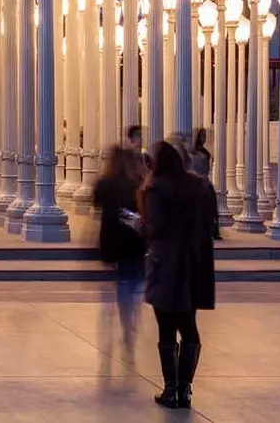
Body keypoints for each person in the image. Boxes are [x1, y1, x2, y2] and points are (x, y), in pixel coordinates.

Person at [141, 140, 217, 411]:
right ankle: (185, 390)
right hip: (194, 263)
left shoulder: (157, 188)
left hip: (167, 264)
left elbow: (156, 228)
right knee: (189, 326)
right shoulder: (201, 187)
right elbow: (211, 223)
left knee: (166, 328)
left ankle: (171, 388)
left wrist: (138, 225)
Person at [92, 144, 148, 344]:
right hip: (133, 235)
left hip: (112, 235)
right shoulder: (135, 182)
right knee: (133, 277)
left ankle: (125, 315)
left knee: (123, 278)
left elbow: (96, 202)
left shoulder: (106, 182)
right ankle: (131, 315)